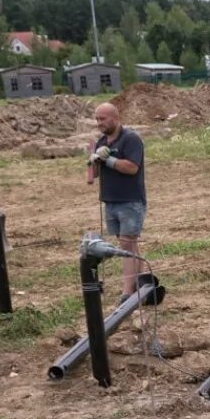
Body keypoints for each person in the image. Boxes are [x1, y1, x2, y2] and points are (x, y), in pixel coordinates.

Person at [87, 101, 147, 294]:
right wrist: (93, 161)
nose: (99, 123)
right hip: (110, 201)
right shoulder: (102, 142)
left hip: (129, 201)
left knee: (127, 246)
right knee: (129, 246)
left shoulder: (131, 139)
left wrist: (109, 160)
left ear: (115, 118)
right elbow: (94, 176)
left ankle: (127, 293)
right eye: (97, 119)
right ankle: (141, 284)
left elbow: (132, 168)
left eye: (102, 119)